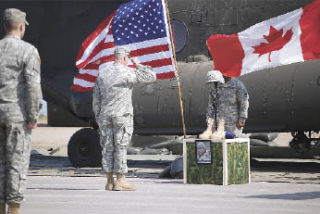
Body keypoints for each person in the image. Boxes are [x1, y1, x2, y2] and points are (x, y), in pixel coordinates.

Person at [92, 47, 156, 191]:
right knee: (120, 146)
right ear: (125, 58)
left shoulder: (103, 73)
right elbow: (151, 76)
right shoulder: (128, 72)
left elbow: (96, 99)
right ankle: (120, 180)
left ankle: (109, 181)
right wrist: (139, 64)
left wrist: (98, 116)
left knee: (108, 147)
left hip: (105, 116)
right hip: (122, 116)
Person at [0, 8, 42, 214]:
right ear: (21, 26)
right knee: (16, 165)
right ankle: (14, 209)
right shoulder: (28, 51)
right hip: (16, 117)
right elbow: (33, 87)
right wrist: (33, 116)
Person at [206, 70, 249, 137]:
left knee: (232, 144)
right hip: (217, 124)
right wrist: (209, 120)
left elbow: (244, 103)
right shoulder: (216, 85)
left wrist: (242, 119)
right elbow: (211, 105)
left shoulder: (238, 86)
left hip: (232, 125)